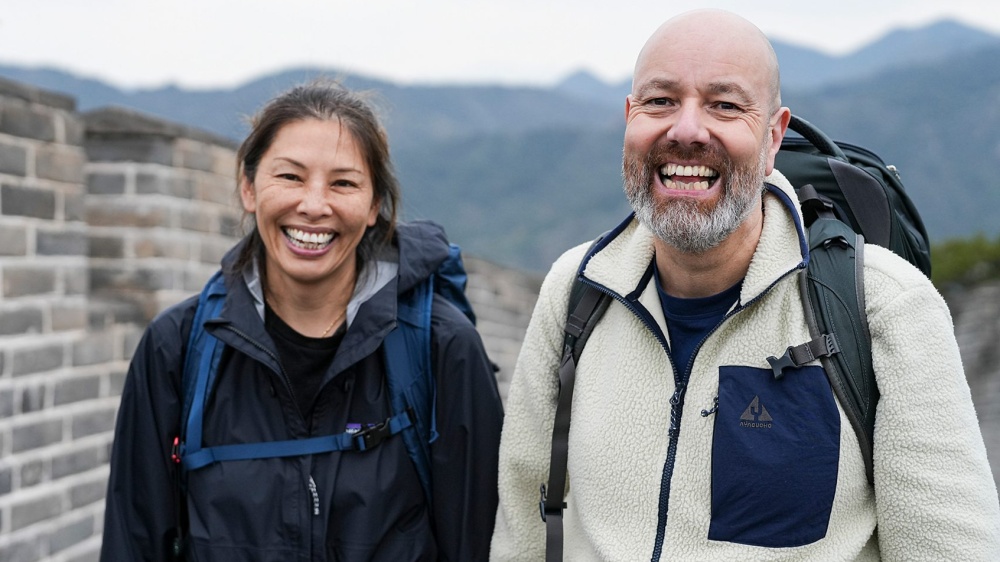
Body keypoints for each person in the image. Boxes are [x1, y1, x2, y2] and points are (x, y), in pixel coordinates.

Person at [490, 9, 1000, 561]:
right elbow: (523, 524)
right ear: (629, 116)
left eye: (725, 105)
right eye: (660, 100)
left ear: (774, 135)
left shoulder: (881, 305)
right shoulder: (577, 290)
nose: (686, 129)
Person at [101, 81, 504, 561]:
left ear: (374, 206)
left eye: (343, 183)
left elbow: (483, 543)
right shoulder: (177, 347)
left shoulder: (440, 348)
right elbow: (133, 541)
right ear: (249, 189)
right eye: (290, 177)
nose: (314, 205)